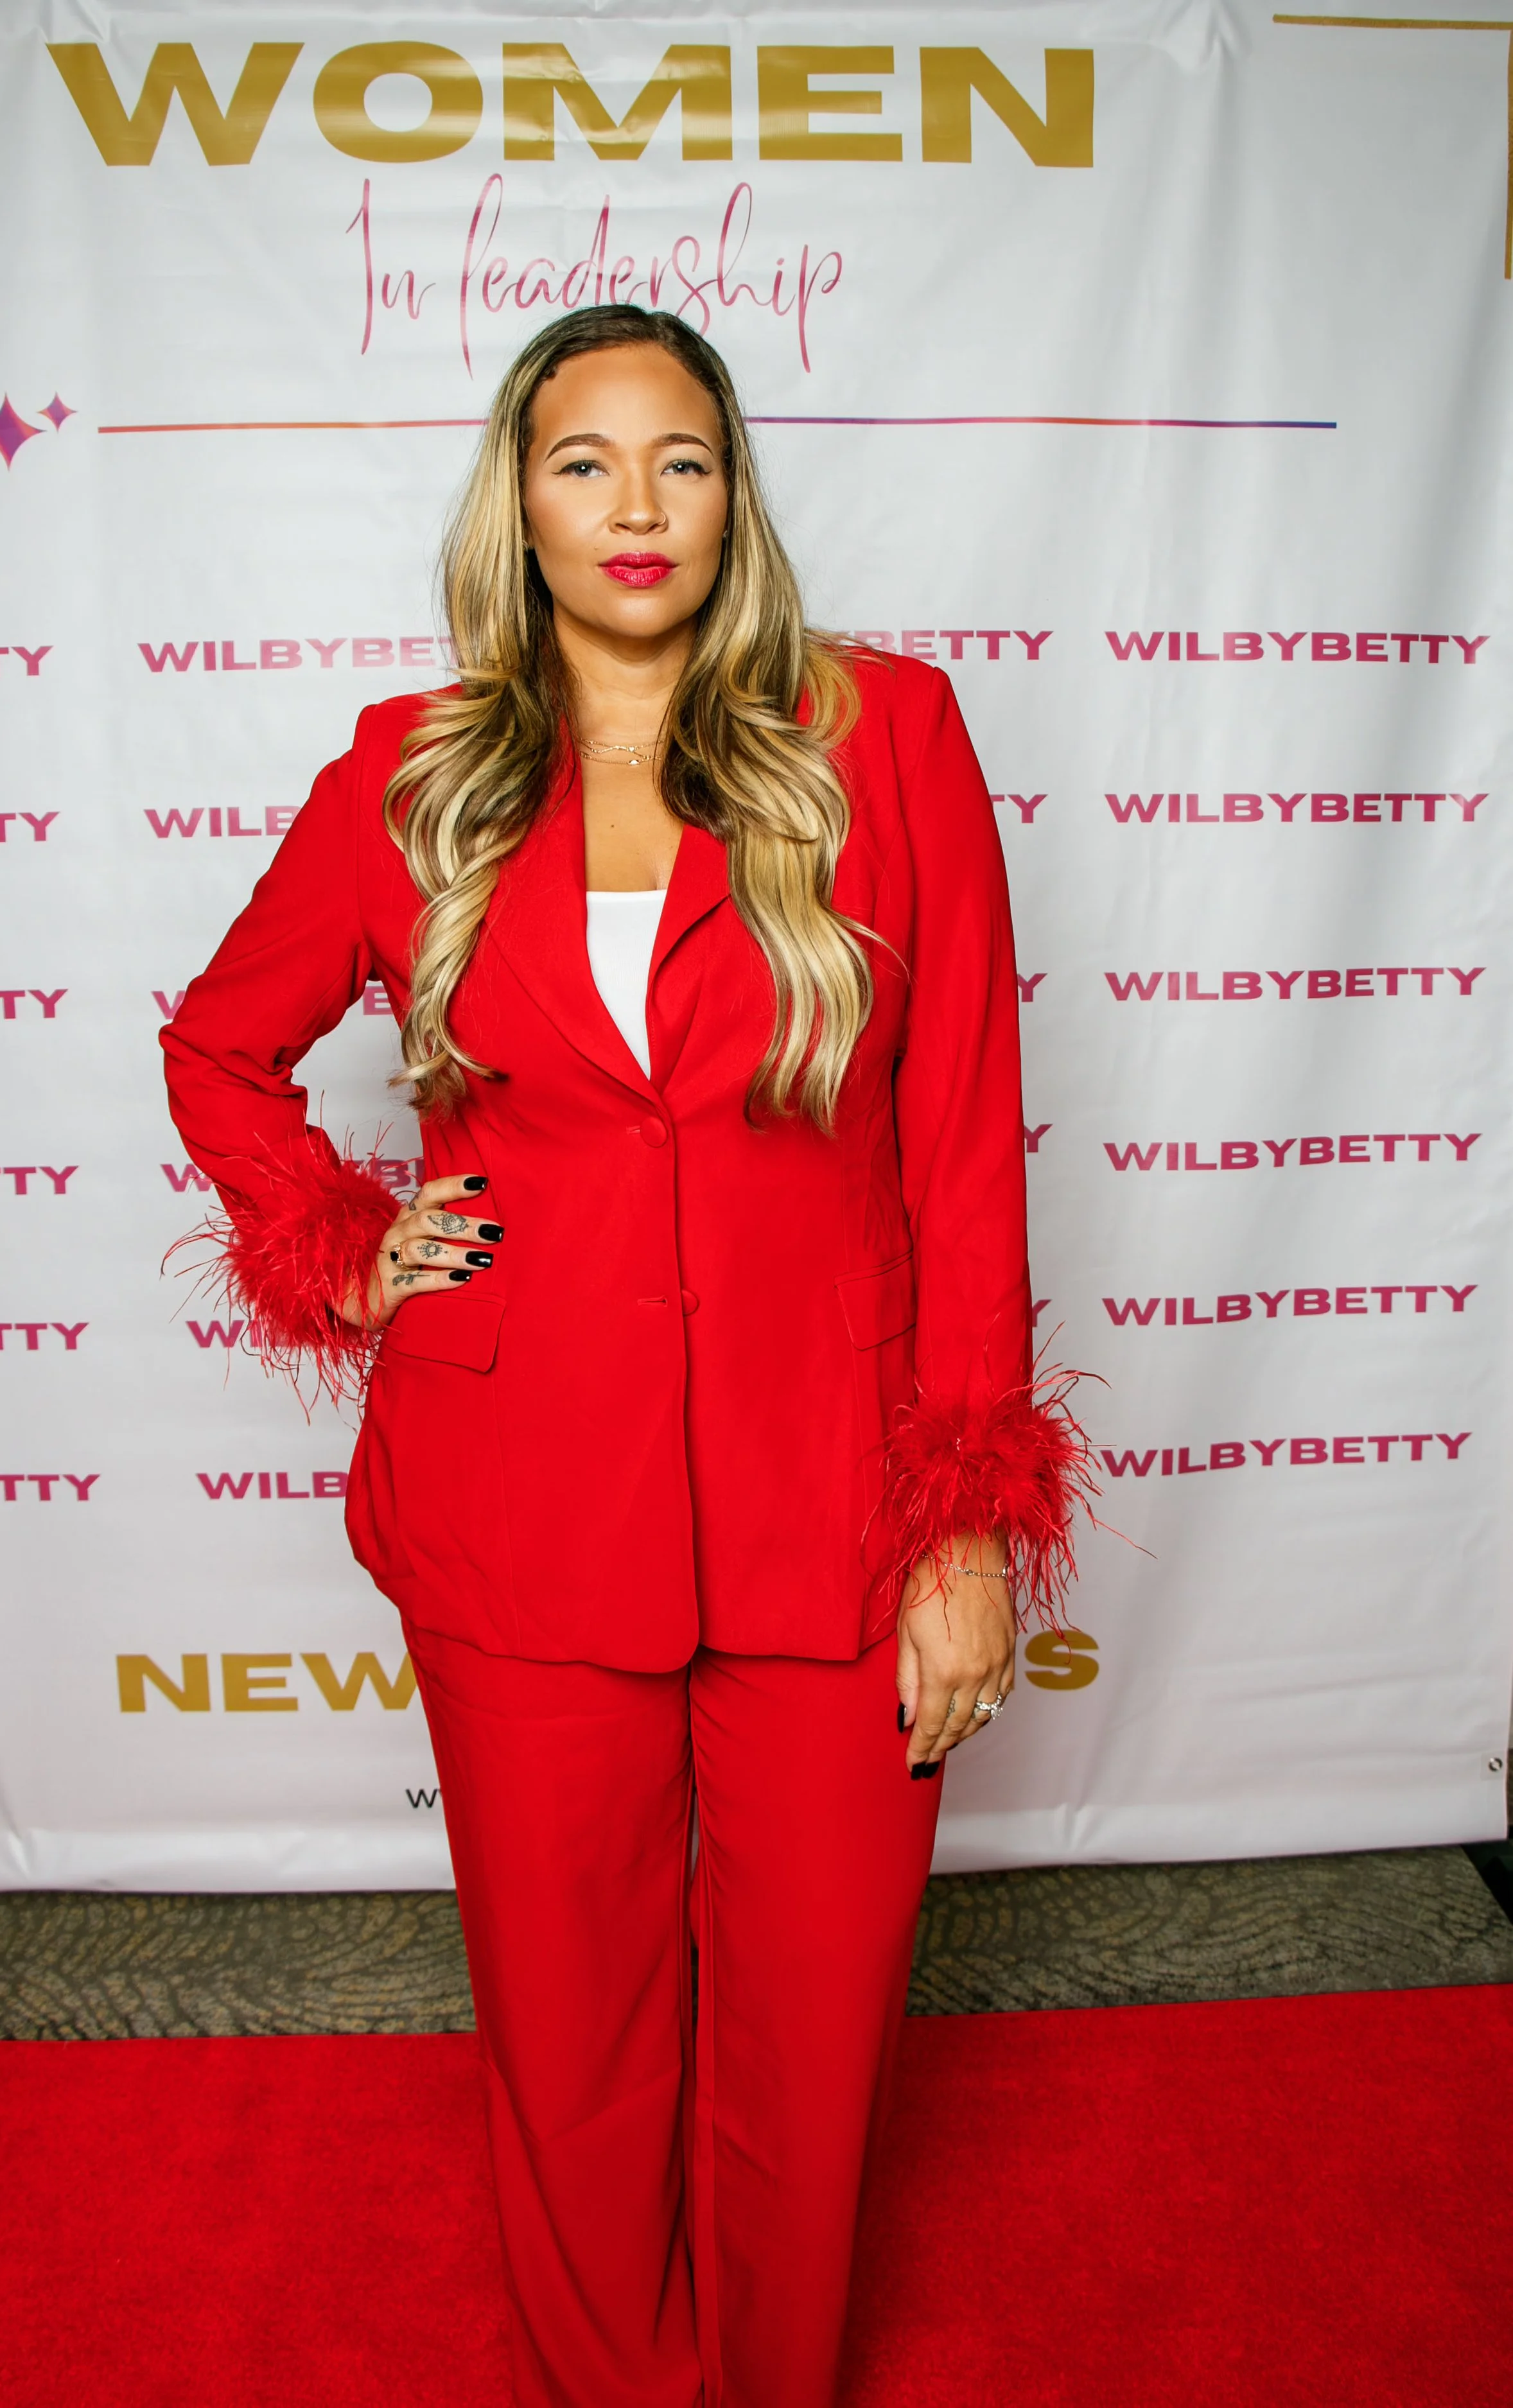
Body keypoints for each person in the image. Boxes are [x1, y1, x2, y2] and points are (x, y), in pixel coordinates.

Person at [162, 305, 1088, 2408]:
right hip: (517, 1501)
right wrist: (341, 1244)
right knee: (575, 2063)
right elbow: (217, 1045)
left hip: (835, 1502)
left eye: (680, 459)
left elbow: (960, 1145)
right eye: (584, 462)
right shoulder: (410, 777)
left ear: (733, 493)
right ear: (521, 501)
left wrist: (963, 1529)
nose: (636, 507)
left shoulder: (887, 740)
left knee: (816, 2038)